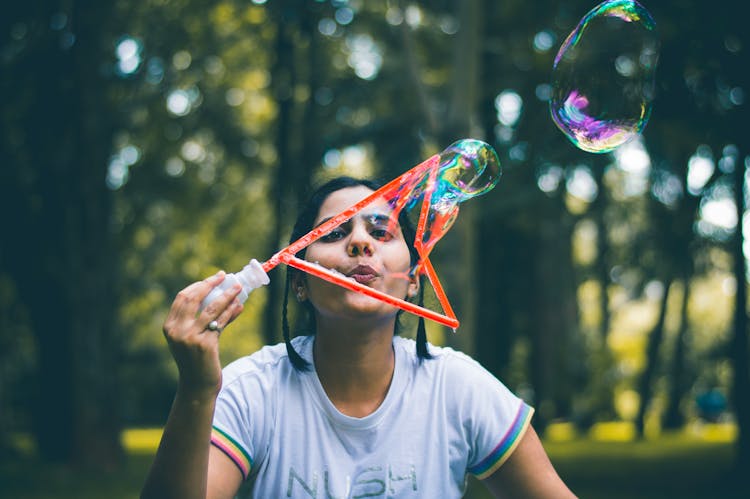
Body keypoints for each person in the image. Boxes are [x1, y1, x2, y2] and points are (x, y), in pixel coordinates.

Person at [141, 176, 576, 498]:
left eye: (381, 231)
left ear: (413, 281)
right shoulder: (251, 391)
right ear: (299, 283)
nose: (360, 243)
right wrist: (197, 392)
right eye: (333, 233)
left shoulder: (457, 387)